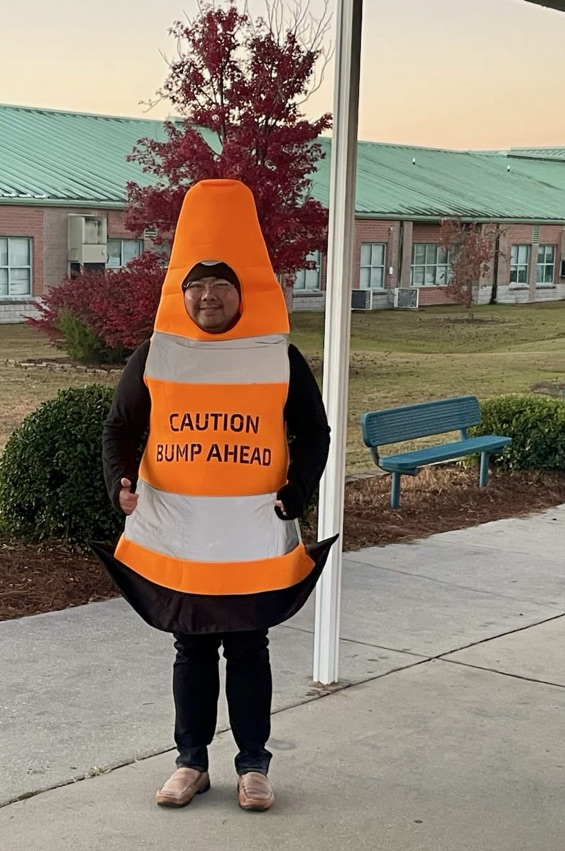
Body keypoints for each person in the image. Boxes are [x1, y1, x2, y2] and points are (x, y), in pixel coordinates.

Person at [98, 179, 333, 812]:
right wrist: (119, 481)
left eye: (220, 284)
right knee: (192, 645)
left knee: (249, 644)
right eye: (195, 285)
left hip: (253, 532)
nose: (207, 296)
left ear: (244, 291)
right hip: (180, 533)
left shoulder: (278, 355)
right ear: (182, 293)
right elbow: (120, 427)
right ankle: (191, 763)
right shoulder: (156, 353)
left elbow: (313, 430)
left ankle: (254, 765)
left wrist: (299, 488)